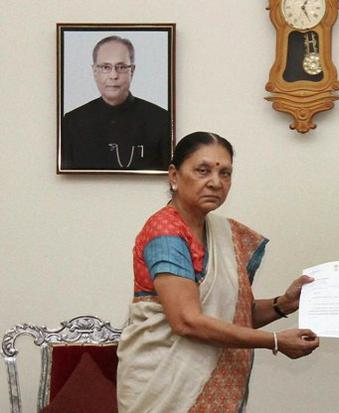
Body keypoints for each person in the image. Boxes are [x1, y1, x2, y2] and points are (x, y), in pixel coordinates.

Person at [117, 132, 319, 412]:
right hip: (164, 387)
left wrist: (282, 304)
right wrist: (274, 341)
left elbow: (233, 316)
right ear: (174, 176)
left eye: (225, 173)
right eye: (203, 170)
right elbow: (187, 321)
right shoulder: (165, 232)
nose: (215, 182)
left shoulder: (223, 233)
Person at [61, 35, 171, 170]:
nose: (113, 75)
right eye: (105, 67)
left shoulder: (161, 120)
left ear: (132, 71)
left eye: (121, 67)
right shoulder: (72, 122)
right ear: (95, 71)